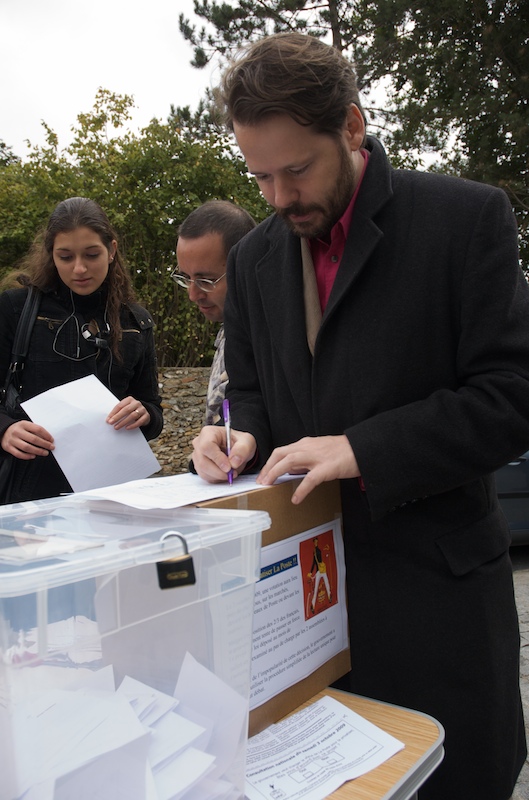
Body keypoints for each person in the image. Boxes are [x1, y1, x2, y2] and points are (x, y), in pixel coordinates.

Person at [191, 33, 529, 800]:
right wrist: (235, 431)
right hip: (298, 627)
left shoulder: (464, 219)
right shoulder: (252, 262)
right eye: (259, 176)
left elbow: (512, 394)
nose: (278, 199)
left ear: (350, 126)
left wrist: (364, 448)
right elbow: (249, 393)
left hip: (435, 612)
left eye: (296, 171)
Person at [0, 197, 163, 504]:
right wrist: (6, 430)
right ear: (51, 255)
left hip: (111, 497)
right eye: (65, 256)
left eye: (91, 254)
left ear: (112, 251)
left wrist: (144, 414)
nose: (79, 268)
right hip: (27, 499)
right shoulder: (14, 309)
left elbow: (153, 410)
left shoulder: (136, 322)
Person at [173, 200, 256, 423]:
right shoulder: (228, 329)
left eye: (206, 280)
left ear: (244, 268)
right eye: (186, 278)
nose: (192, 294)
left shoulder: (269, 343)